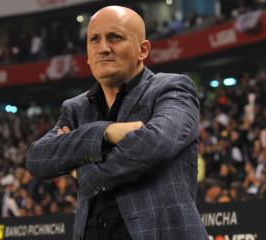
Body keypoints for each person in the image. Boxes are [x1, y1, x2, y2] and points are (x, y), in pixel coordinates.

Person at [27, 5, 208, 240]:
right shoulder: (75, 108)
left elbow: (155, 144)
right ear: (88, 56)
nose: (103, 48)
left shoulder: (172, 88)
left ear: (143, 50)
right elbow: (38, 158)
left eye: (115, 37)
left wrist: (82, 174)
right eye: (94, 40)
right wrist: (107, 132)